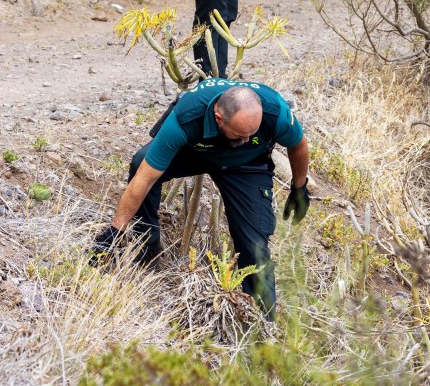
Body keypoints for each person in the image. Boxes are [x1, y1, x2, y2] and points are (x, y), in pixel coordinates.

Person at [91, 78, 311, 319]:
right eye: (239, 134)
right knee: (139, 163)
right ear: (219, 118)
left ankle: (262, 323)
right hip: (196, 152)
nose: (247, 138)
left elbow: (298, 144)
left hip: (247, 165)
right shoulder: (187, 117)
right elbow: (145, 177)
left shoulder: (274, 111)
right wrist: (116, 230)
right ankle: (147, 249)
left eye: (252, 133)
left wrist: (299, 188)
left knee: (254, 246)